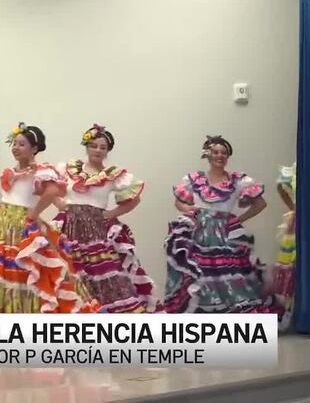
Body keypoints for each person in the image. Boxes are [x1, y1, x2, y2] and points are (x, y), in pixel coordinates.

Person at [0, 122, 97, 313]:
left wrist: (35, 212)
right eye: (14, 143)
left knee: (22, 268)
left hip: (20, 226)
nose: (16, 148)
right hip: (1, 224)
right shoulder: (13, 172)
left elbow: (52, 190)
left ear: (34, 148)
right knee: (1, 270)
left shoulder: (39, 170)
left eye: (22, 144)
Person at [163, 135, 282, 317]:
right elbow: (179, 203)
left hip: (225, 233)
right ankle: (203, 316)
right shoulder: (194, 179)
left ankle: (230, 316)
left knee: (230, 273)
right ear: (208, 155)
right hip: (198, 231)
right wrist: (191, 209)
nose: (220, 156)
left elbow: (260, 204)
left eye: (224, 153)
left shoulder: (238, 181)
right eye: (216, 152)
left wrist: (239, 220)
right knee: (200, 273)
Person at [53, 124, 157, 313]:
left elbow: (135, 199)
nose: (98, 150)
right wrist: (60, 204)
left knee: (102, 274)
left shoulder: (112, 175)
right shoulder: (69, 169)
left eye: (103, 147)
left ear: (108, 151)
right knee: (70, 274)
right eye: (94, 146)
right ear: (86, 147)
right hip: (69, 229)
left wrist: (109, 214)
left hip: (95, 232)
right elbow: (49, 188)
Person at [273, 162, 297, 330]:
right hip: (298, 222)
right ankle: (287, 311)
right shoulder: (297, 169)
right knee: (291, 266)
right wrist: (294, 207)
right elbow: (280, 186)